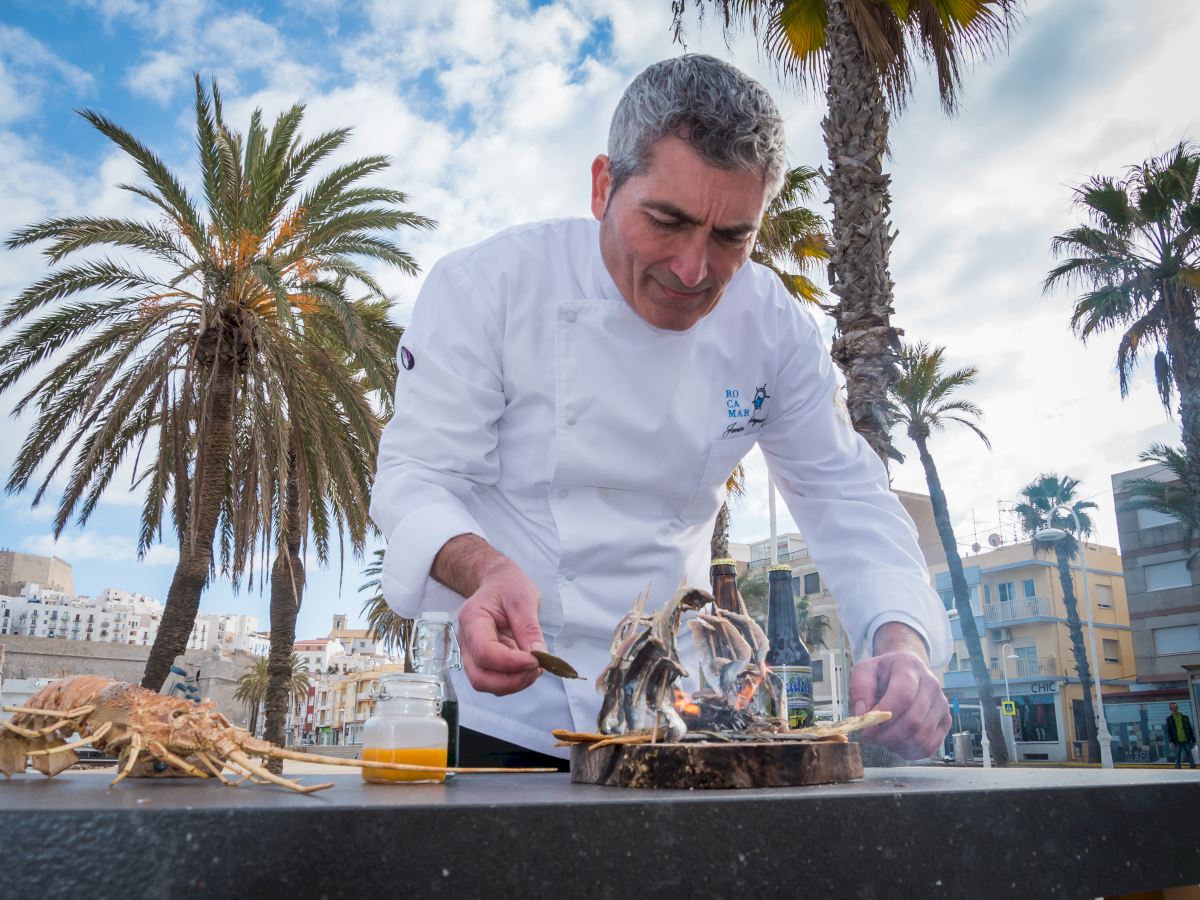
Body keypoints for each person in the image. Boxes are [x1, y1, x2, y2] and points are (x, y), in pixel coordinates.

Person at [370, 54, 953, 768]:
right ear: (603, 187)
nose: (692, 269)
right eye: (666, 221)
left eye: (732, 236)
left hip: (668, 721)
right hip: (505, 717)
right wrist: (487, 571)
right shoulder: (489, 286)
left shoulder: (772, 327)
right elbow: (417, 478)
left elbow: (847, 497)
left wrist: (902, 641)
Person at [1164, 702, 1196, 769]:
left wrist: (1193, 739)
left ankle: (1193, 767)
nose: (1174, 709)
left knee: (1190, 755)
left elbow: (1190, 729)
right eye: (1172, 708)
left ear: (1177, 708)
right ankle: (1178, 768)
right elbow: (1168, 731)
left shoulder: (1185, 717)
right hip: (1176, 741)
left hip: (1186, 739)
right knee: (1177, 756)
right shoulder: (1169, 719)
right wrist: (1171, 741)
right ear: (1170, 709)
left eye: (1175, 708)